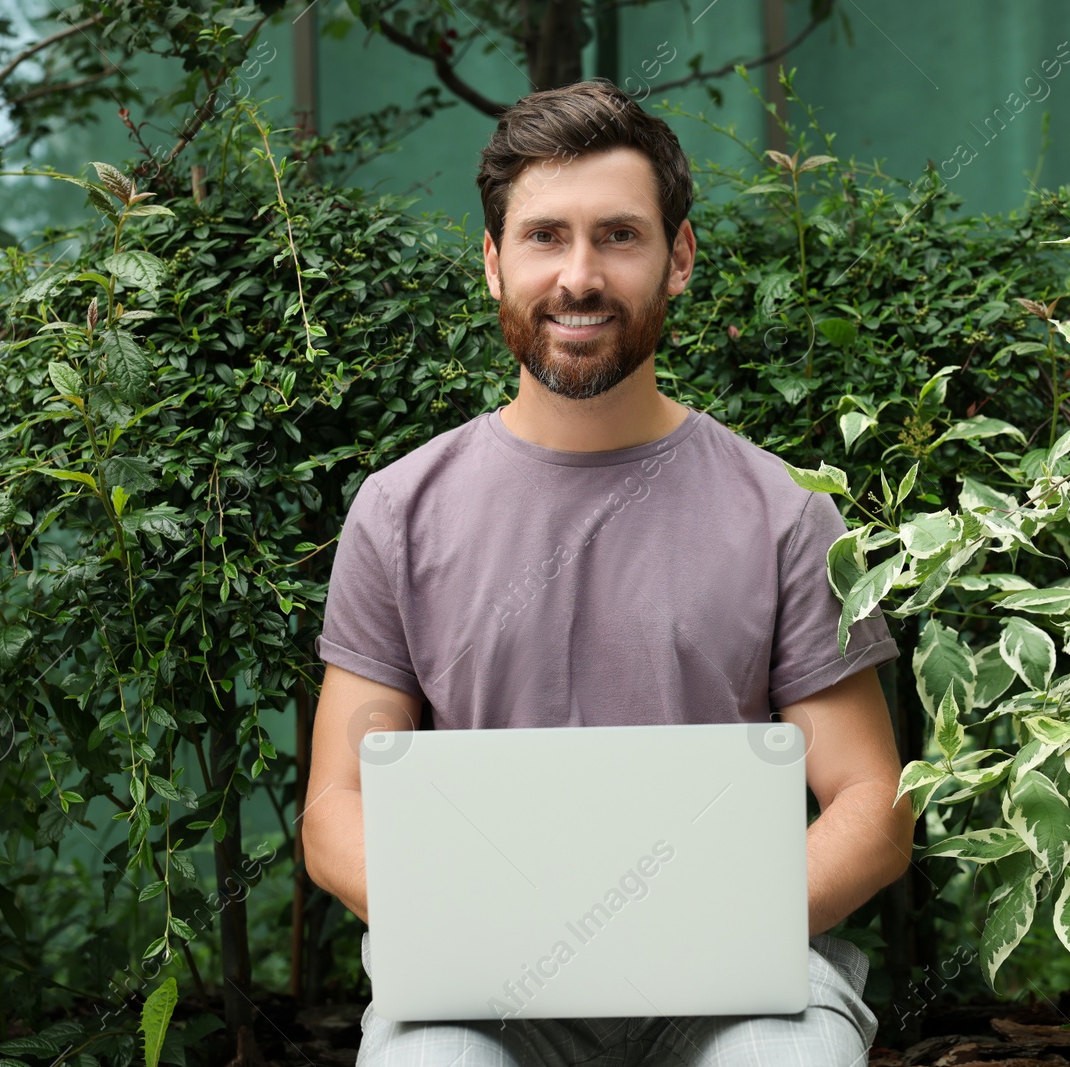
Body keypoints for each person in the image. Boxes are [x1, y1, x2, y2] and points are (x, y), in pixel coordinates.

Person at [302, 78, 912, 1067]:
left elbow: (870, 804)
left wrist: (694, 931)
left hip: (739, 976)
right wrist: (481, 927)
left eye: (617, 236)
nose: (578, 275)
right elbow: (334, 809)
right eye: (545, 237)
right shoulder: (399, 510)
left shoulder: (785, 509)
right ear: (492, 262)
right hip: (483, 980)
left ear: (677, 260)